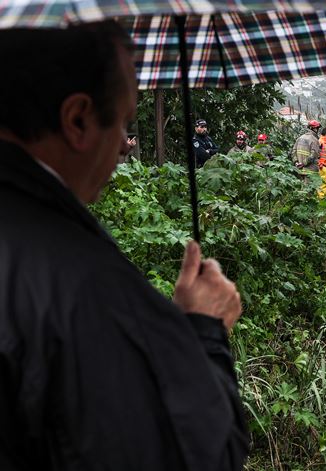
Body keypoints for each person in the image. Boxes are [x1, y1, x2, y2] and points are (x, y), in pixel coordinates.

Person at [0, 22, 248, 470]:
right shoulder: (81, 285)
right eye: (122, 122)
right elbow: (195, 455)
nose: (122, 146)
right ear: (77, 119)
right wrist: (205, 333)